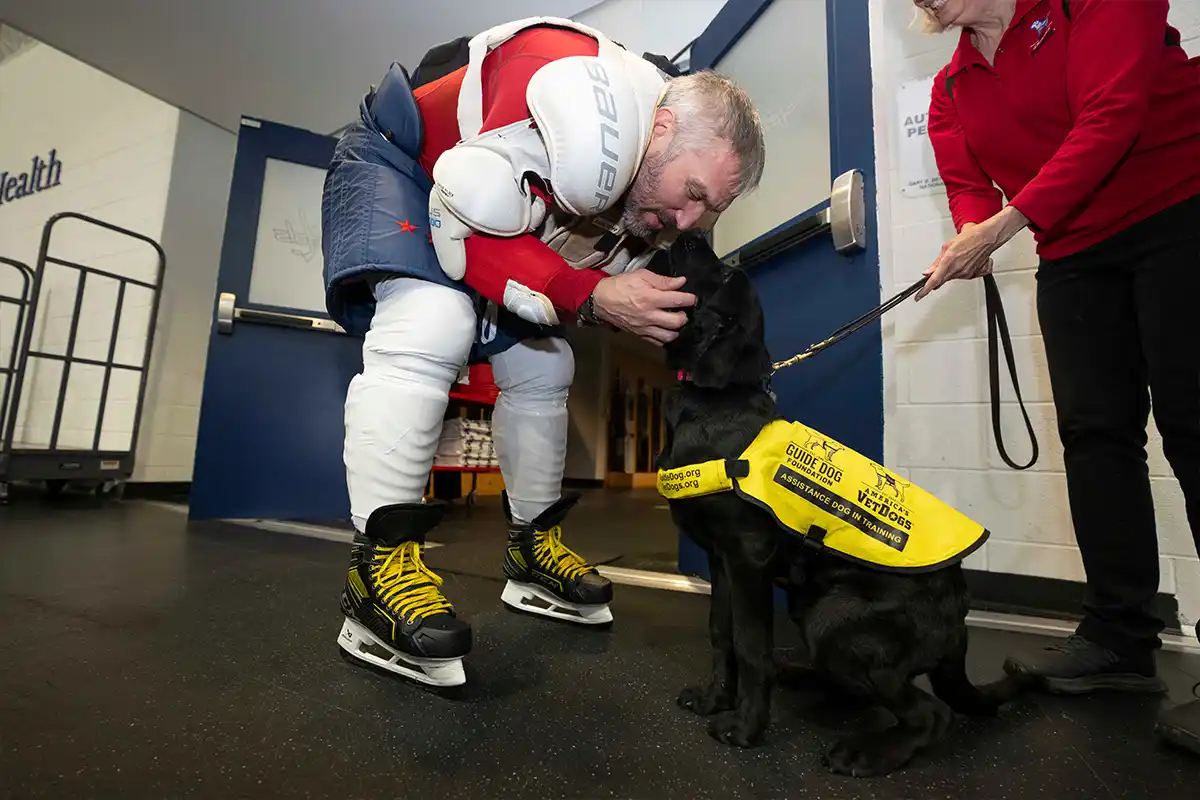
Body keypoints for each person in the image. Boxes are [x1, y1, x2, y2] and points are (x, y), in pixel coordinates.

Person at [320, 16, 766, 689]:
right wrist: (596, 296)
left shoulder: (647, 189)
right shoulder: (589, 104)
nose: (686, 223)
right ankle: (377, 568)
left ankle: (531, 548)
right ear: (663, 130)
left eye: (707, 211)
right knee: (431, 317)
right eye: (693, 194)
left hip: (475, 214)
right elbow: (465, 225)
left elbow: (541, 260)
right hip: (402, 167)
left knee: (544, 362)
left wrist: (616, 302)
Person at [913, 0, 1200, 752]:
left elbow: (1112, 117)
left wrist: (1009, 223)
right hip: (1074, 246)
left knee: (1194, 424)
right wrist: (971, 237)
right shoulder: (951, 90)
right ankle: (1119, 638)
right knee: (1094, 437)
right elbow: (969, 184)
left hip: (1180, 210)